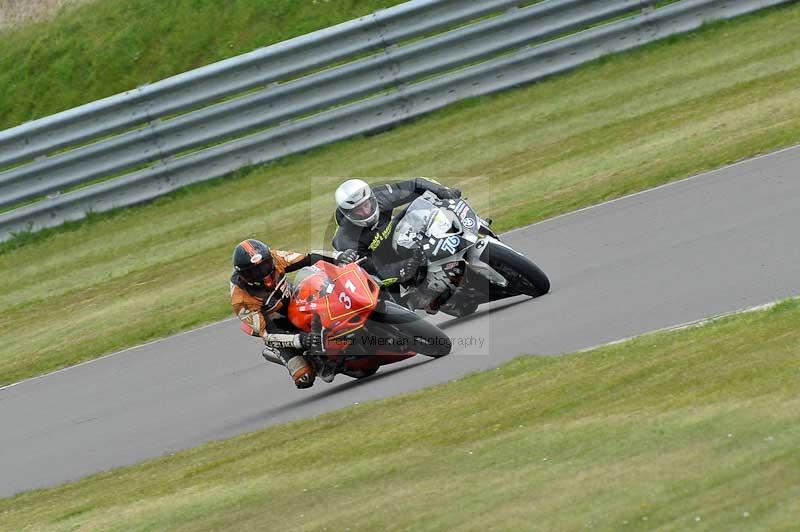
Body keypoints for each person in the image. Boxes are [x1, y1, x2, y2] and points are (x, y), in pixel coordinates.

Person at [230, 238, 358, 389]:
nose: (263, 274)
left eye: (264, 267)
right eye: (254, 272)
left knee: (322, 293)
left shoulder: (276, 257)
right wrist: (300, 339)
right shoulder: (241, 300)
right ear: (243, 275)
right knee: (304, 378)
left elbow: (308, 257)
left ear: (269, 259)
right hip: (275, 327)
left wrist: (337, 257)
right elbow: (268, 335)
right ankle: (313, 360)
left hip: (292, 301)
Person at [331, 178, 461, 285]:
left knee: (420, 211)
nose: (365, 212)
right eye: (358, 210)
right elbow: (373, 270)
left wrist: (444, 192)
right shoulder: (345, 240)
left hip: (399, 236)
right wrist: (404, 266)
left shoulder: (381, 196)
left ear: (372, 198)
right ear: (348, 213)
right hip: (384, 264)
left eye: (366, 205)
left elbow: (415, 184)